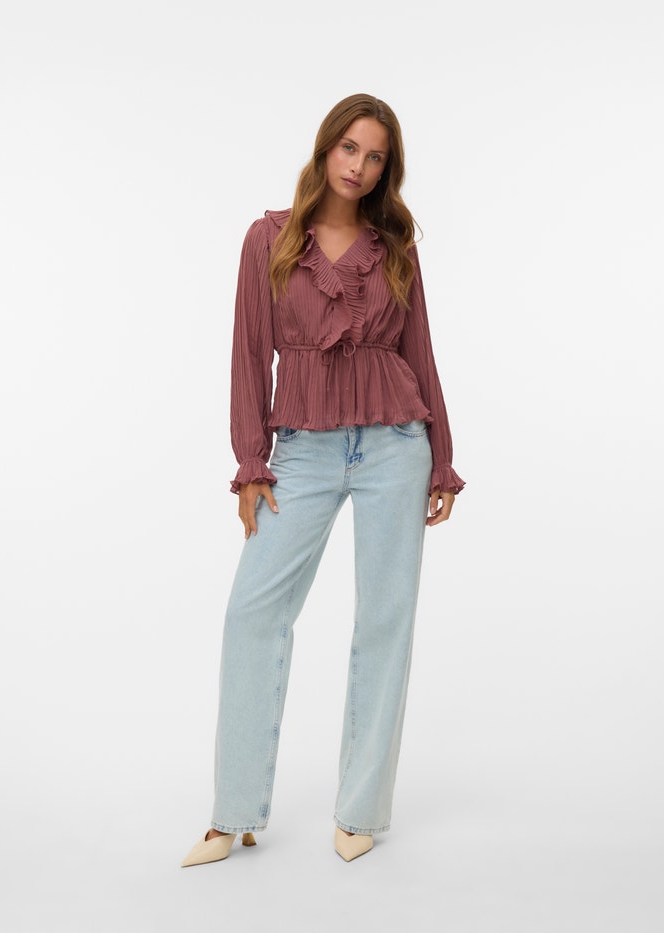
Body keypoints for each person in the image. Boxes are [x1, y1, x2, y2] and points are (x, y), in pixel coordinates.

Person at [182, 93, 465, 866]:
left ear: (386, 170)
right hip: (302, 451)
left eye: (375, 157)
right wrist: (251, 461)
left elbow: (420, 351)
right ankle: (233, 810)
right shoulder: (269, 239)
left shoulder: (394, 247)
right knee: (252, 612)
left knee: (385, 620)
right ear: (325, 147)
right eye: (349, 148)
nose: (358, 166)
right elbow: (248, 355)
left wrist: (440, 456)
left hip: (394, 444)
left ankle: (361, 809)